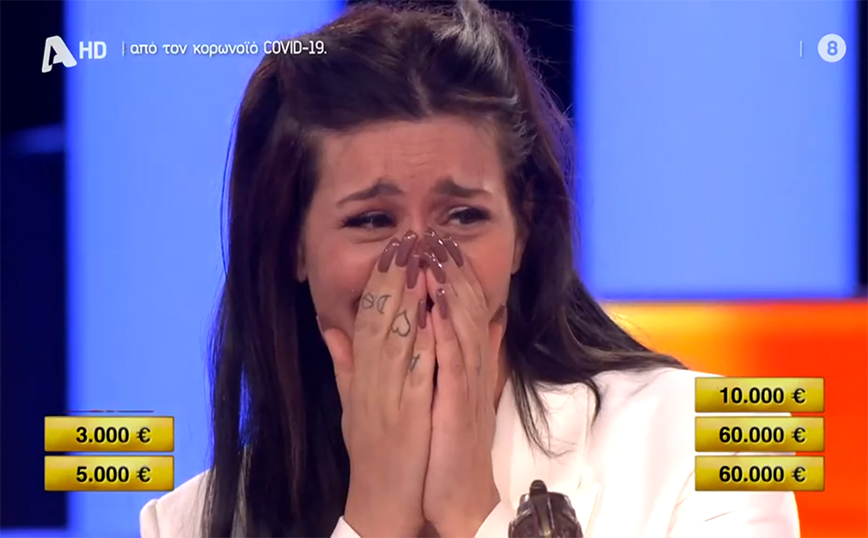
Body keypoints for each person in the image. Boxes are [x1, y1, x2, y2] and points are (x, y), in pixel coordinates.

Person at [140, 0, 801, 536]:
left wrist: (472, 512)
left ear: (522, 233)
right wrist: (374, 518)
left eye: (463, 216)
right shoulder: (190, 523)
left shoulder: (717, 447)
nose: (421, 266)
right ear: (294, 246)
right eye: (372, 221)